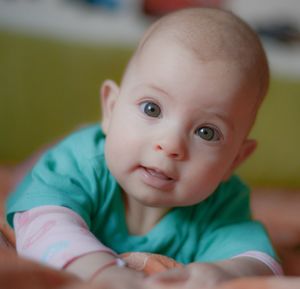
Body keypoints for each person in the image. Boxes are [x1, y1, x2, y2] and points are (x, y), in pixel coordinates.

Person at [4, 7, 282, 289]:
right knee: (33, 178)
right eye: (152, 108)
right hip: (61, 163)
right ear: (110, 109)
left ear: (235, 160)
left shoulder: (223, 204)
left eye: (206, 132)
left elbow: (261, 262)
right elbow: (41, 220)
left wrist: (225, 273)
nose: (171, 145)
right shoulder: (79, 164)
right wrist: (98, 269)